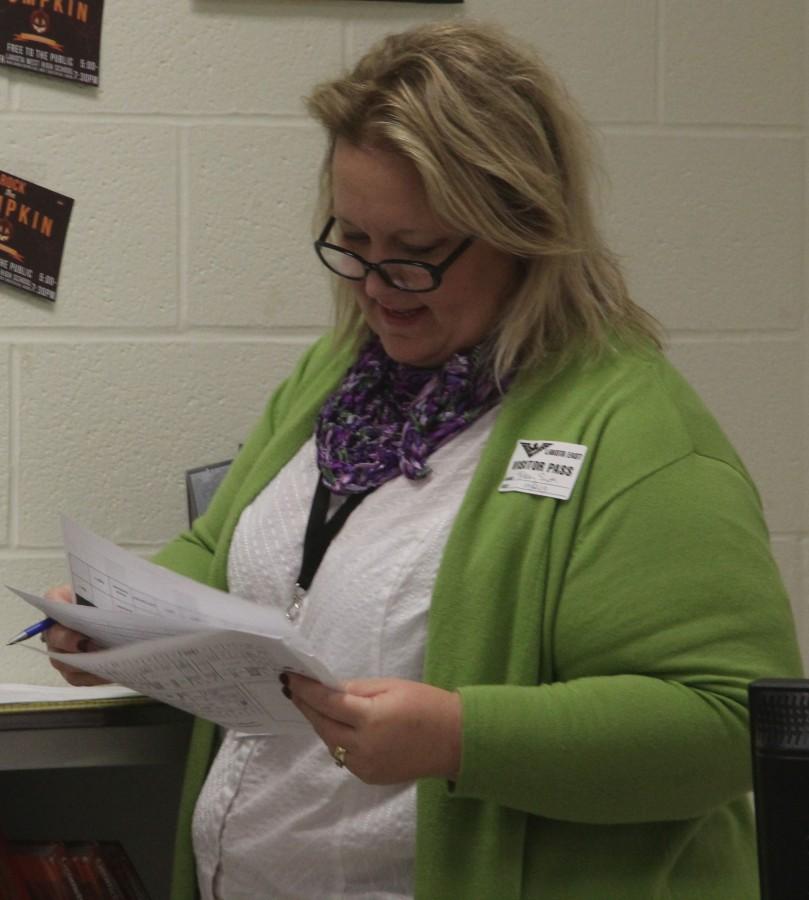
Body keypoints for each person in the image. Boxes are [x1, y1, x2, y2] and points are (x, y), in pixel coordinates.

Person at [44, 20, 801, 900]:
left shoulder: (632, 430)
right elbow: (229, 559)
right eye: (353, 241)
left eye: (412, 255)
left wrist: (461, 737)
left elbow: (724, 722)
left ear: (520, 230)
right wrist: (117, 620)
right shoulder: (340, 378)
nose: (371, 287)